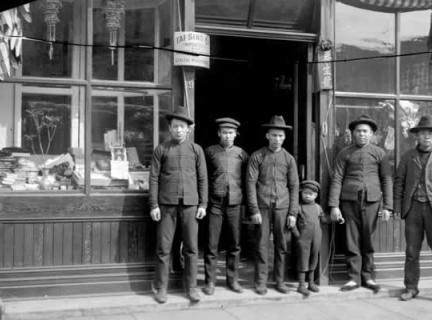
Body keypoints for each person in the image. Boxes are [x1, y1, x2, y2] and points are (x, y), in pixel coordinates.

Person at [149, 105, 208, 304]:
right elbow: (154, 178)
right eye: (175, 126)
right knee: (163, 248)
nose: (178, 130)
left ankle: (191, 288)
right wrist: (153, 205)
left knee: (191, 248)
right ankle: (161, 288)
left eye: (182, 127)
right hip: (166, 206)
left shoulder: (196, 150)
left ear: (188, 129)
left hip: (191, 206)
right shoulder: (162, 149)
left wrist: (203, 204)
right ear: (170, 128)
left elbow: (202, 179)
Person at [328, 114, 393, 293]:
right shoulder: (344, 153)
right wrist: (334, 205)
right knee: (351, 239)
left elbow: (387, 180)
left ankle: (368, 277)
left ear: (371, 134)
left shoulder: (379, 153)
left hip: (371, 201)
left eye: (365, 131)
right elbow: (337, 179)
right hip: (349, 201)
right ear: (353, 134)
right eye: (358, 131)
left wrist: (388, 206)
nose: (361, 134)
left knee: (368, 240)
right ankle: (353, 278)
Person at [246, 115, 299, 295]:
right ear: (267, 135)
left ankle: (279, 281)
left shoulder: (289, 159)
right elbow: (250, 183)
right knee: (261, 245)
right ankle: (261, 282)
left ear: (284, 137)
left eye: (281, 136)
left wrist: (292, 213)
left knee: (282, 246)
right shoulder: (257, 156)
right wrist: (253, 209)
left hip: (283, 208)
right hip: (262, 207)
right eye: (274, 135)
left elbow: (294, 186)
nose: (277, 139)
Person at [203, 117, 249, 295]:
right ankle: (210, 282)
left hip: (235, 205)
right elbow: (203, 177)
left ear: (236, 135)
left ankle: (233, 280)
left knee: (235, 244)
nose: (228, 136)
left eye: (231, 133)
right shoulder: (210, 152)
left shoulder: (241, 153)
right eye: (224, 132)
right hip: (215, 204)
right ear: (218, 134)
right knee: (211, 244)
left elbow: (247, 178)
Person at [394, 115, 432, 301]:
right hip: (413, 208)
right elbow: (399, 181)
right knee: (411, 251)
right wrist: (397, 207)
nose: (427, 137)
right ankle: (411, 287)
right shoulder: (408, 156)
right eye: (423, 134)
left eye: (430, 134)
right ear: (416, 136)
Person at [293, 180, 329, 296]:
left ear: (315, 195)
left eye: (310, 194)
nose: (307, 196)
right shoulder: (298, 207)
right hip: (303, 238)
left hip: (316, 237)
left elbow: (323, 220)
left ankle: (311, 283)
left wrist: (334, 218)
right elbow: (292, 224)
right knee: (303, 259)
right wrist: (297, 235)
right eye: (305, 193)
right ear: (301, 193)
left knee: (314, 258)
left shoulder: (318, 207)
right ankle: (301, 285)